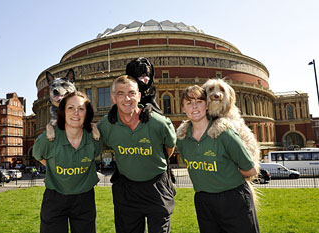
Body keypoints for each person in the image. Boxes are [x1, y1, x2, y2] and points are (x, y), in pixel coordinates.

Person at [97, 75, 177, 233]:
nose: (127, 98)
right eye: (120, 93)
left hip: (157, 187)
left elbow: (169, 147)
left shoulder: (159, 123)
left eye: (131, 93)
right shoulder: (105, 126)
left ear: (139, 96)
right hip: (126, 190)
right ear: (113, 98)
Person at [176, 85, 259, 233]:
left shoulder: (225, 133)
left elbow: (251, 170)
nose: (194, 106)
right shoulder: (182, 138)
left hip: (233, 199)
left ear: (207, 105)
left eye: (199, 102)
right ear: (182, 108)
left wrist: (227, 177)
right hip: (203, 202)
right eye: (189, 103)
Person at [32, 91, 102, 233]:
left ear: (86, 113)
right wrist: (51, 167)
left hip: (84, 198)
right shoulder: (47, 139)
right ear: (63, 111)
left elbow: (95, 153)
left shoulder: (94, 139)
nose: (76, 113)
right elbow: (38, 155)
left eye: (81, 109)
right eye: (70, 108)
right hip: (55, 198)